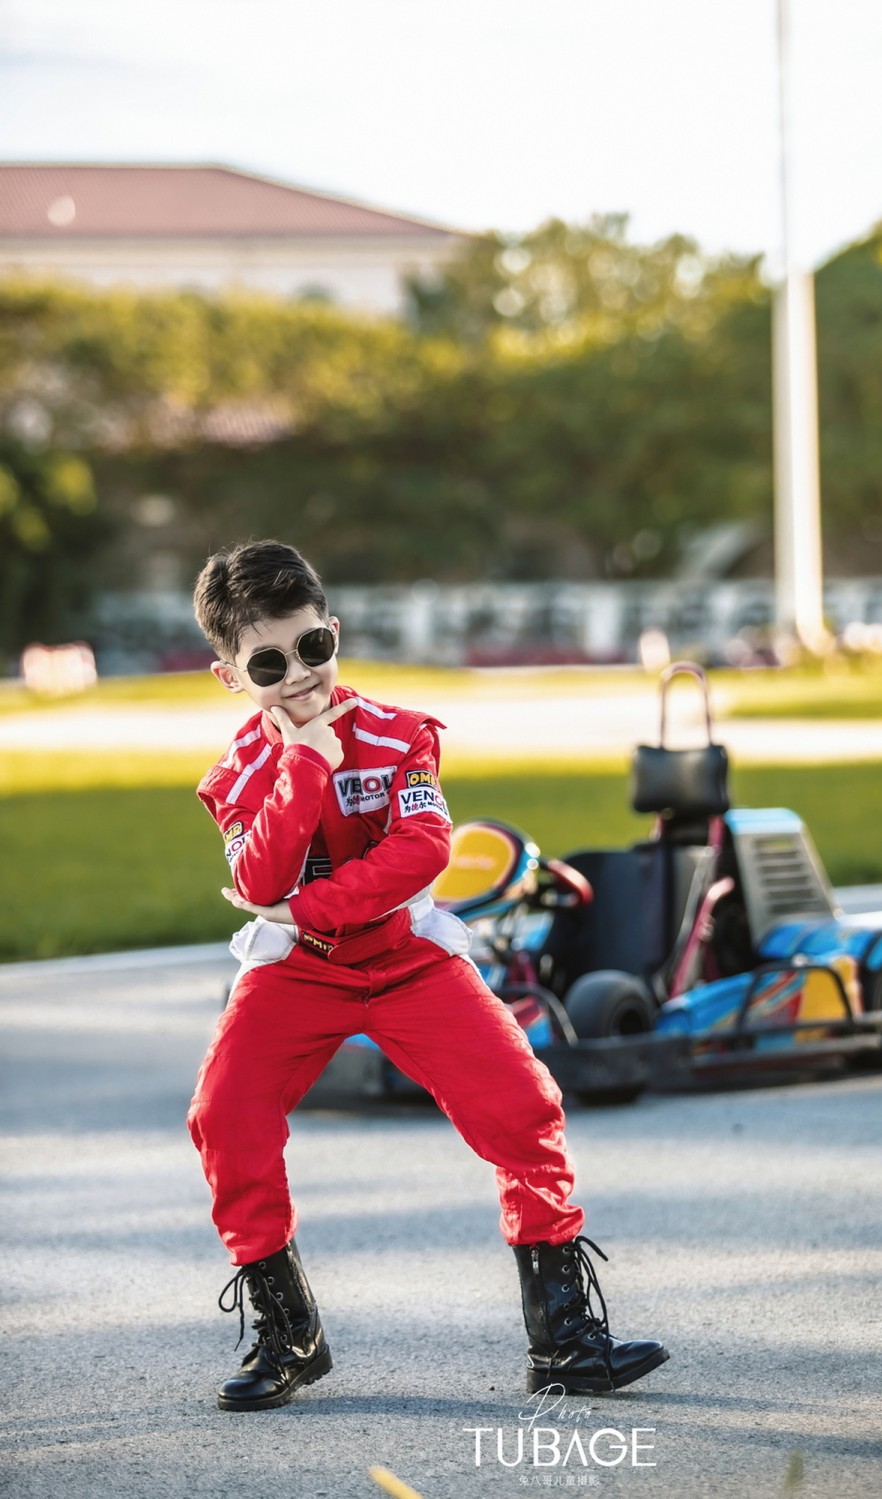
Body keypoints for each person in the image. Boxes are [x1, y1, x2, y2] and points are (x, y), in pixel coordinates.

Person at [187, 539, 667, 1412]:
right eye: (268, 663)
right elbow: (259, 880)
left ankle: (563, 1337)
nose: (298, 675)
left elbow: (422, 852)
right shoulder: (236, 775)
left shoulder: (402, 734)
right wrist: (306, 763)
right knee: (223, 1114)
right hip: (298, 975)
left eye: (311, 647)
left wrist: (306, 907)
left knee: (524, 1103)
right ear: (230, 677)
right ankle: (290, 1334)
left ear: (333, 633)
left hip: (409, 959)